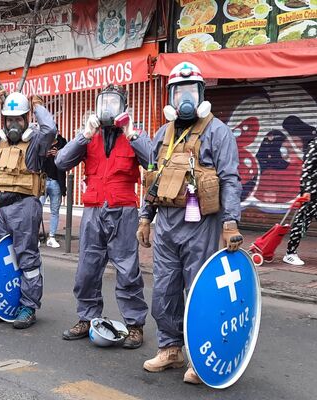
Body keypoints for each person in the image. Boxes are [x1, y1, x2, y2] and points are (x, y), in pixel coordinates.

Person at [130, 62, 242, 384]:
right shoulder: (162, 134)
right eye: (179, 92)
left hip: (201, 226)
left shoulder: (218, 132)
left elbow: (230, 180)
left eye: (191, 91)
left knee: (199, 292)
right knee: (164, 289)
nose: (185, 100)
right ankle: (170, 348)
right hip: (166, 223)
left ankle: (200, 357)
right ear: (171, 97)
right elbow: (151, 179)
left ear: (202, 94)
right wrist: (144, 218)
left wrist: (230, 222)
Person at [55, 85, 148, 348]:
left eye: (114, 103)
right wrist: (84, 135)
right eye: (104, 103)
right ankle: (87, 318)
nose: (108, 108)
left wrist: (132, 134)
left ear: (124, 107)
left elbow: (154, 160)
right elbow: (61, 162)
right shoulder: (88, 136)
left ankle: (134, 325)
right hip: (94, 211)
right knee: (87, 269)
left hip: (124, 211)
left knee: (128, 271)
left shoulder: (134, 133)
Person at [0, 90, 57, 329]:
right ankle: (7, 304)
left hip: (24, 207)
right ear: (3, 120)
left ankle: (28, 306)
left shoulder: (36, 140)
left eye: (18, 119)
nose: (13, 123)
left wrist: (38, 107)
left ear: (27, 119)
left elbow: (50, 130)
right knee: (5, 258)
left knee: (27, 258)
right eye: (9, 119)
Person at [283, 135, 317, 266]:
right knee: (302, 221)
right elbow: (306, 170)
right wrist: (307, 191)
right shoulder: (315, 145)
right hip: (312, 194)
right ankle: (290, 253)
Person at [40, 132, 67, 248]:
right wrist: (44, 156)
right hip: (43, 180)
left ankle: (51, 237)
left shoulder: (63, 143)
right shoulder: (43, 143)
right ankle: (34, 237)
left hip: (57, 181)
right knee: (36, 209)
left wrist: (58, 154)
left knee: (55, 211)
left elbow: (67, 160)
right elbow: (35, 160)